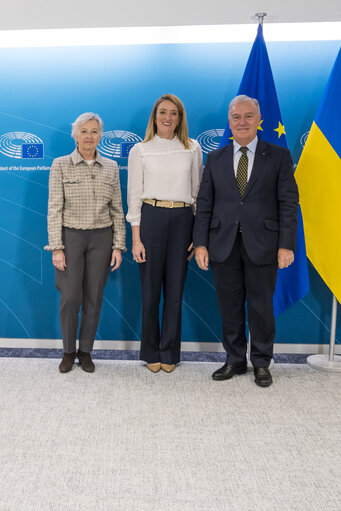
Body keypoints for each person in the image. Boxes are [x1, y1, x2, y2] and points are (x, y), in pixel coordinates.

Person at [193, 95, 298, 387]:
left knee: (261, 307)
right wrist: (200, 243)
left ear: (258, 120)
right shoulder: (214, 158)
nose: (242, 122)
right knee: (229, 306)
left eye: (248, 116)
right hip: (222, 244)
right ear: (229, 122)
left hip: (264, 244)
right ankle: (235, 360)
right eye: (236, 117)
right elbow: (204, 204)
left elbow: (288, 203)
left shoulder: (278, 156)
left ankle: (262, 363)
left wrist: (286, 244)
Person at [127, 94, 203, 373]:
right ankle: (151, 351)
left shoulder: (193, 148)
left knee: (175, 292)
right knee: (150, 293)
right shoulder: (141, 150)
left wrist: (198, 233)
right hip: (151, 219)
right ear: (154, 116)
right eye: (162, 112)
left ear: (180, 118)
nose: (167, 117)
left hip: (183, 220)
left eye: (173, 112)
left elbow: (198, 193)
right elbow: (134, 195)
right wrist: (136, 238)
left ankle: (170, 352)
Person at [45, 112, 126, 373]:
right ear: (75, 135)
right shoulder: (60, 165)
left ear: (101, 135)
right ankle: (68, 352)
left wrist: (118, 246)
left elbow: (117, 209)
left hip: (102, 238)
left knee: (94, 298)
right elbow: (54, 208)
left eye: (94, 131)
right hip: (71, 238)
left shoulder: (111, 167)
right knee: (70, 297)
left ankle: (85, 352)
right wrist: (57, 247)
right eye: (84, 131)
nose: (89, 136)